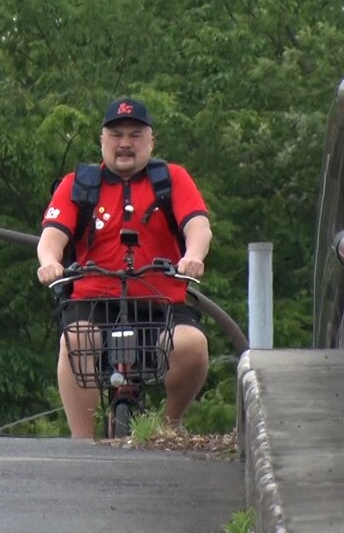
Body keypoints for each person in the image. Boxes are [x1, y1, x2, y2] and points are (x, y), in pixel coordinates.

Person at [35, 97, 212, 438]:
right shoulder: (79, 183)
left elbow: (198, 225)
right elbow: (51, 236)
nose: (125, 143)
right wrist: (50, 263)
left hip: (161, 299)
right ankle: (82, 442)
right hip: (93, 299)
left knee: (192, 345)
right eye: (116, 135)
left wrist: (194, 255)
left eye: (135, 134)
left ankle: (170, 424)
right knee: (76, 340)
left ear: (151, 141)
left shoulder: (171, 178)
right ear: (102, 141)